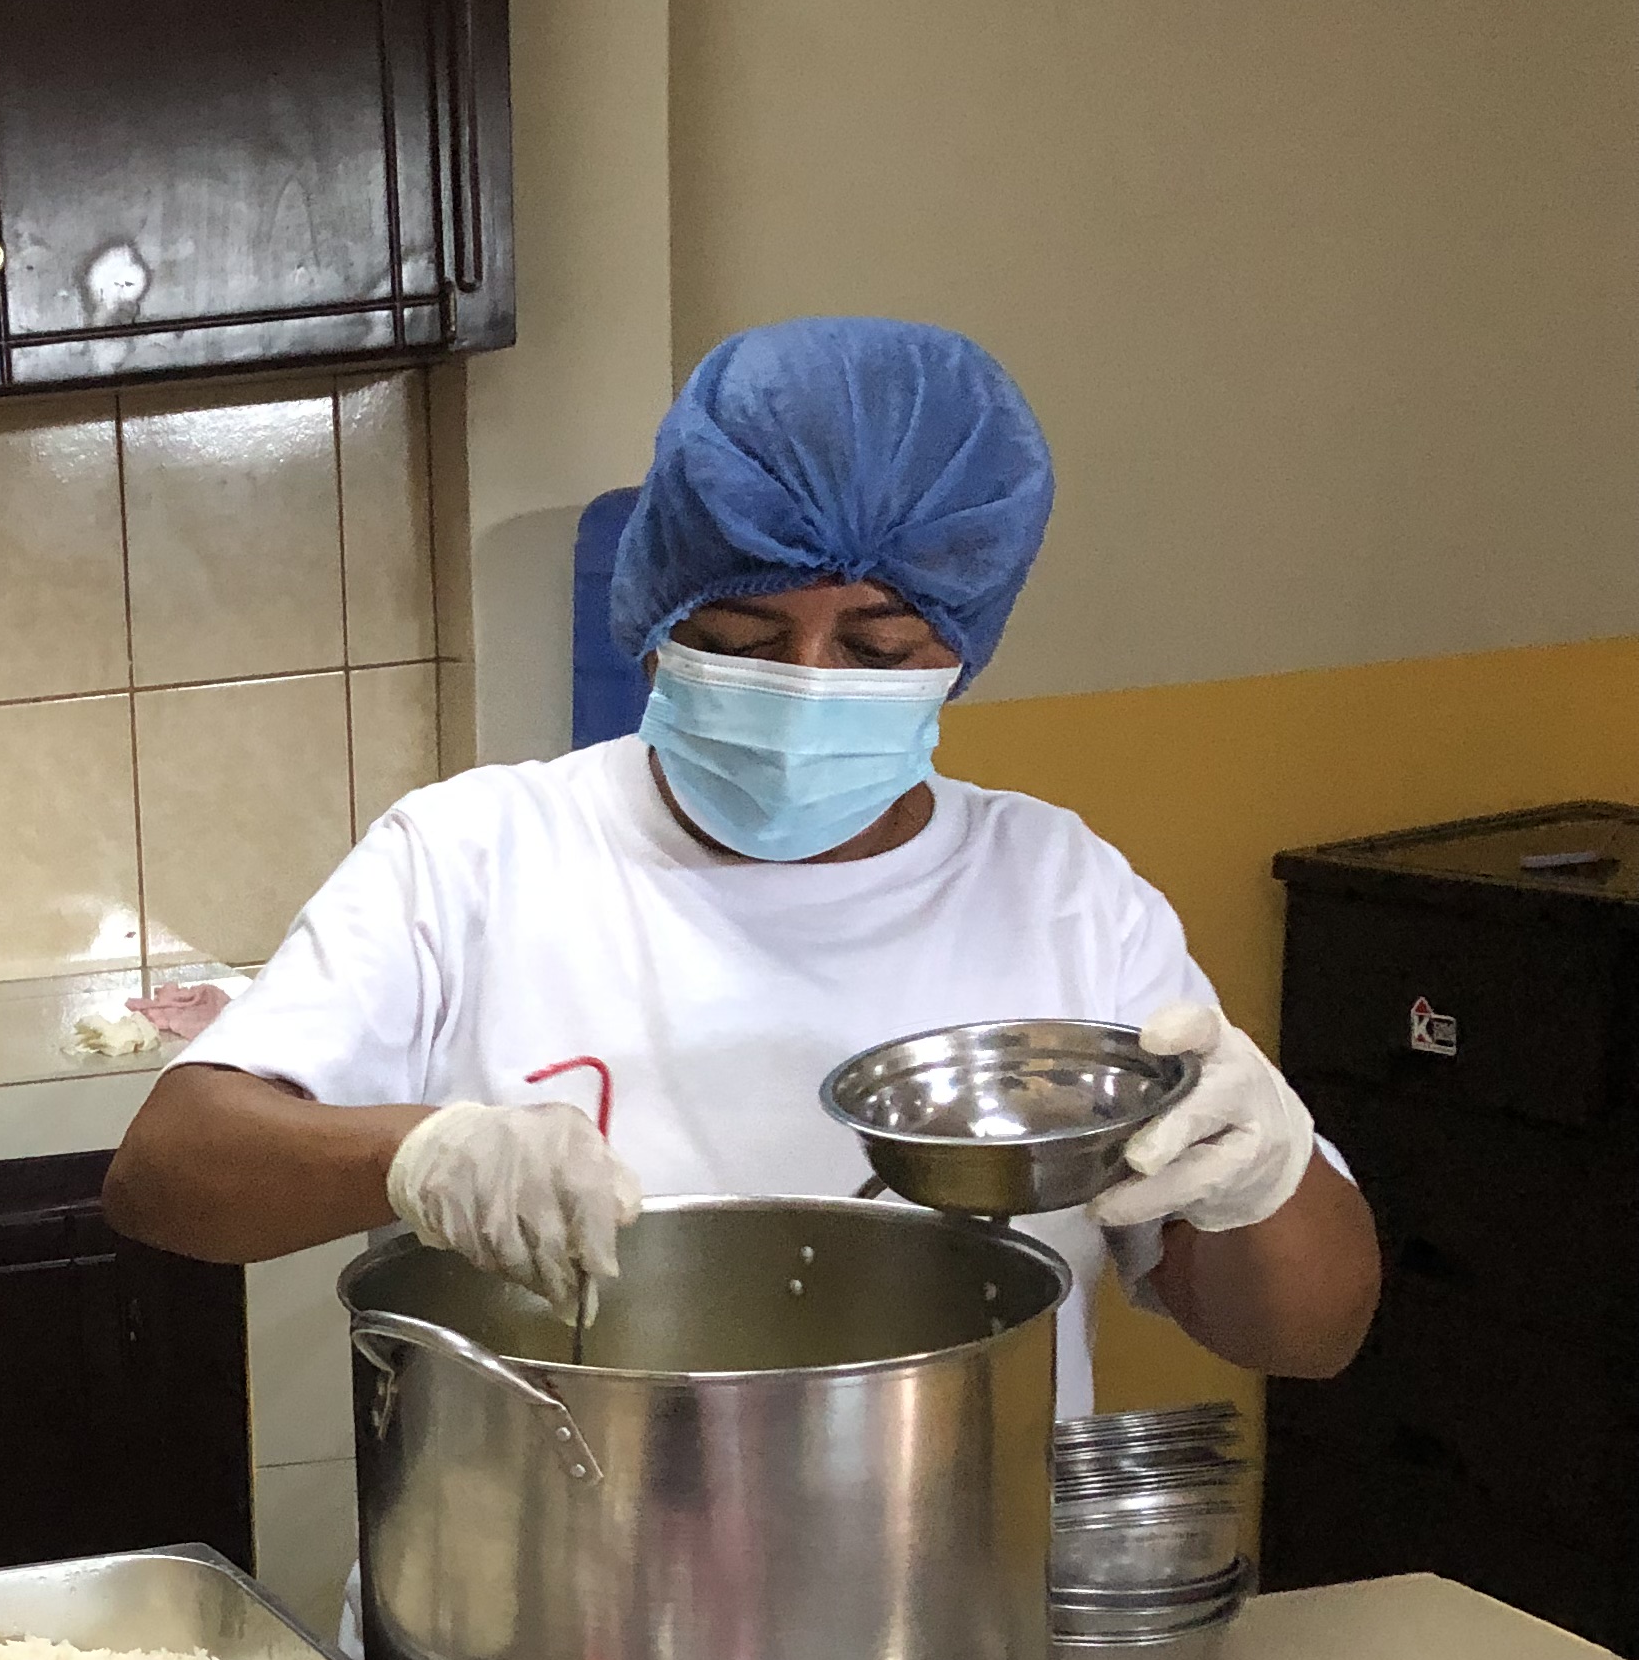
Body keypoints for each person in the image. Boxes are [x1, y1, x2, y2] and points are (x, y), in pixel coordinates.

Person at [103, 317, 1379, 1392]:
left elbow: (1314, 1337)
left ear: (962, 646)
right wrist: (416, 1153)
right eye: (745, 636)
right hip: (542, 1563)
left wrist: (1259, 1174)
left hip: (952, 1575)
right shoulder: (478, 854)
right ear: (660, 611)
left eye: (878, 649)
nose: (809, 682)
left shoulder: (1058, 895)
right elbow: (168, 1174)